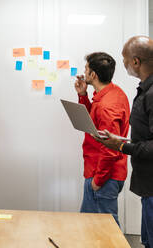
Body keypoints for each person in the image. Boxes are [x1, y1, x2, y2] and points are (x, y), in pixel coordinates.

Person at [93, 36, 153, 247]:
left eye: (125, 59)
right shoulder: (144, 89)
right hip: (147, 187)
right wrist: (122, 140)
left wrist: (120, 146)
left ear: (136, 61)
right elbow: (146, 136)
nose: (124, 63)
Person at [74, 52, 130, 225]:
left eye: (86, 69)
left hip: (103, 175)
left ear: (93, 75)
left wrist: (98, 181)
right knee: (92, 227)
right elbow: (94, 123)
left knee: (106, 231)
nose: (84, 73)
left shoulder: (106, 106)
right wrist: (83, 95)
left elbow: (110, 148)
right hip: (102, 172)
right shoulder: (113, 93)